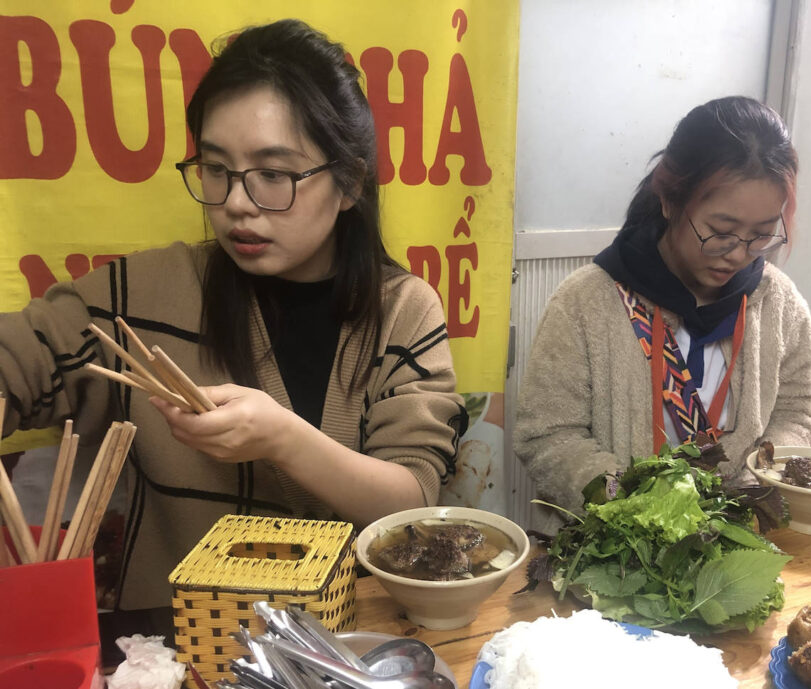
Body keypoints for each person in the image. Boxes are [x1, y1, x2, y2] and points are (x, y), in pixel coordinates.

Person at [0, 19, 467, 615]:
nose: (237, 204)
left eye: (274, 174)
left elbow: (410, 503)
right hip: (174, 649)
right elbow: (21, 357)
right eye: (217, 170)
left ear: (349, 182)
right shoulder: (143, 294)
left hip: (343, 646)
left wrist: (283, 439)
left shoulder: (402, 310)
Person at [514, 96, 811, 519]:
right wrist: (640, 507)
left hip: (740, 543)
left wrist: (749, 495)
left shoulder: (779, 304)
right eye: (721, 231)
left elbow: (794, 415)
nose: (738, 253)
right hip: (621, 553)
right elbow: (547, 435)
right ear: (671, 201)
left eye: (761, 234)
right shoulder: (586, 302)